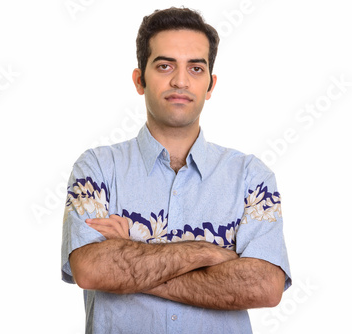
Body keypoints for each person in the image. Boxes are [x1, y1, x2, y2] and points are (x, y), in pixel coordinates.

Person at [61, 7, 291, 334]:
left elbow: (264, 286)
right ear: (140, 80)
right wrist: (209, 253)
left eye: (195, 68)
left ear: (210, 85)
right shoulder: (96, 168)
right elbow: (91, 270)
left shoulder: (251, 177)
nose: (180, 80)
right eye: (165, 65)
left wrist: (131, 260)